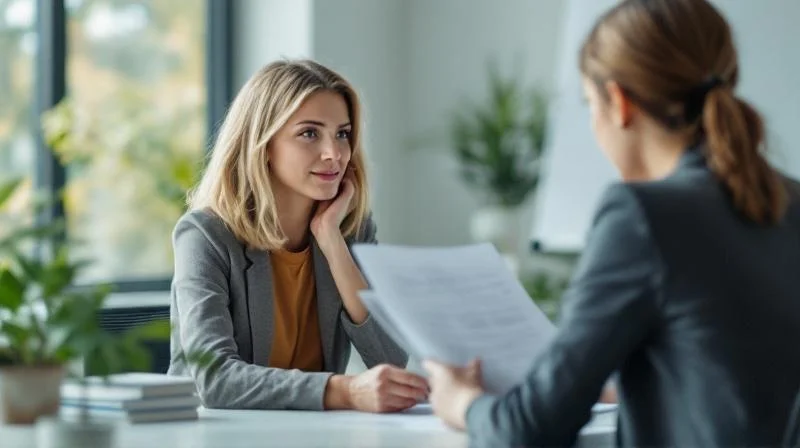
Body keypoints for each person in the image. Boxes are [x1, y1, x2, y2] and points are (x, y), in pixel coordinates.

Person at [422, 0, 800, 446]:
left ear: (619, 103)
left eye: (589, 104)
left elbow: (530, 429)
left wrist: (461, 401)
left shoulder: (641, 214)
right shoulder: (789, 199)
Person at [168, 59, 428, 412]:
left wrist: (333, 243)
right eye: (309, 133)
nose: (333, 153)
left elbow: (390, 359)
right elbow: (213, 379)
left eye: (342, 133)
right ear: (262, 143)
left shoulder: (352, 229)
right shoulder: (205, 235)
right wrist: (346, 391)